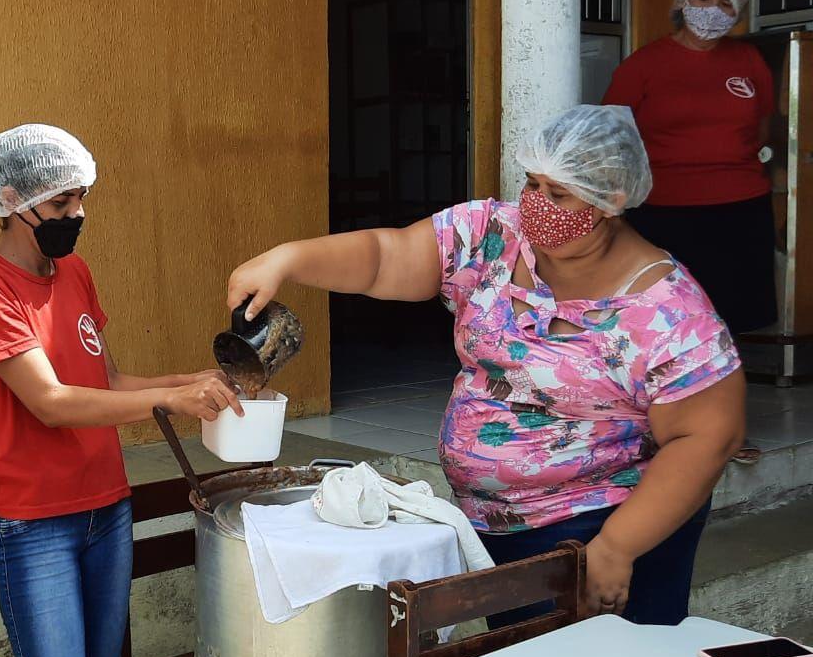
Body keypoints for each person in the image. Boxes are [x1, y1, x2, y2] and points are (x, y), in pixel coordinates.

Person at [227, 106, 745, 626]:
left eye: (559, 194)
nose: (536, 204)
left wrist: (618, 546)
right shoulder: (493, 233)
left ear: (612, 198)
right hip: (495, 526)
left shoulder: (669, 313)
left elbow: (705, 439)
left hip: (601, 529)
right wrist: (287, 260)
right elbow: (387, 256)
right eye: (532, 183)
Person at [0, 124, 241, 657]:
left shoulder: (75, 274)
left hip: (107, 507)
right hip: (36, 524)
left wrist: (188, 381)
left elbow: (106, 381)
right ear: (11, 201)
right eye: (62, 201)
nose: (78, 212)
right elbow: (51, 402)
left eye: (81, 197)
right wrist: (166, 400)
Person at [603, 0, 775, 337]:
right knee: (667, 312)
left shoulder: (748, 60)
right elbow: (612, 131)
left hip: (741, 204)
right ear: (683, 3)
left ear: (738, 14)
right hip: (664, 206)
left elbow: (762, 126)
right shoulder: (645, 63)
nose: (714, 8)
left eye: (727, 3)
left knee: (733, 313)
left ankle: (719, 381)